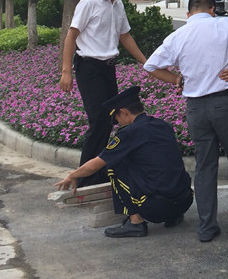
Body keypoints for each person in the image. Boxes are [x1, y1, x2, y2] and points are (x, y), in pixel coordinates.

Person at [144, 0, 228, 242]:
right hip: (225, 103)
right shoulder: (225, 23)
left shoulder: (178, 35)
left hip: (196, 108)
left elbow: (151, 66)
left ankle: (207, 227)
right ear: (212, 9)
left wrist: (176, 79)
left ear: (189, 13)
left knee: (205, 165)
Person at [54, 86, 193, 238]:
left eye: (117, 119)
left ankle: (135, 222)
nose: (118, 124)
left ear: (124, 112)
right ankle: (174, 216)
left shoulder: (129, 132)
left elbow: (96, 164)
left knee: (114, 164)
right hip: (184, 201)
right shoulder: (162, 125)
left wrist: (73, 175)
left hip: (157, 209)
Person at [59, 0, 147, 186]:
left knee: (110, 119)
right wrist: (66, 71)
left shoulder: (118, 5)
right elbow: (71, 36)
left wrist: (145, 61)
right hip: (89, 67)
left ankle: (98, 172)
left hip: (108, 68)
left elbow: (125, 36)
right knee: (98, 119)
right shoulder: (89, 3)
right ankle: (84, 179)